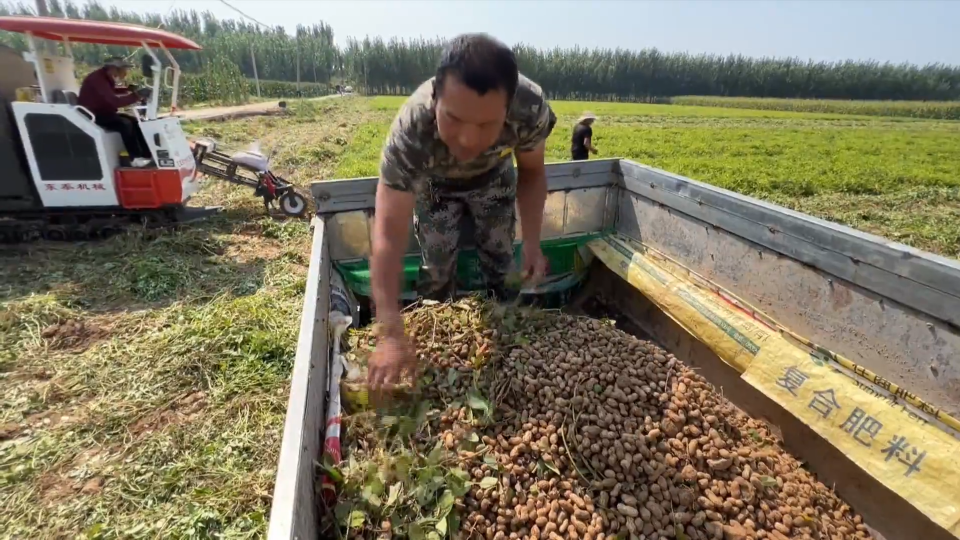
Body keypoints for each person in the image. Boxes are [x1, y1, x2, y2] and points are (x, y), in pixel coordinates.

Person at [368, 33, 557, 391]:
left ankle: (510, 343)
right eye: (453, 119)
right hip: (435, 185)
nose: (468, 139)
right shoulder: (411, 129)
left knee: (502, 262)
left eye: (487, 125)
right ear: (435, 98)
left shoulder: (528, 107)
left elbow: (532, 173)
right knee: (436, 271)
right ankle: (438, 339)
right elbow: (388, 235)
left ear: (508, 108)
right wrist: (390, 334)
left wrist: (532, 244)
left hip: (495, 177)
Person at [77, 56, 151, 159]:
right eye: (123, 69)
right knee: (125, 124)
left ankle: (147, 155)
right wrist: (137, 96)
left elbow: (109, 92)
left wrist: (127, 89)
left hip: (101, 112)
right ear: (113, 68)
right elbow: (114, 101)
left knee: (135, 121)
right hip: (94, 114)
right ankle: (135, 158)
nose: (125, 72)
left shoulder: (103, 77)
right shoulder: (97, 79)